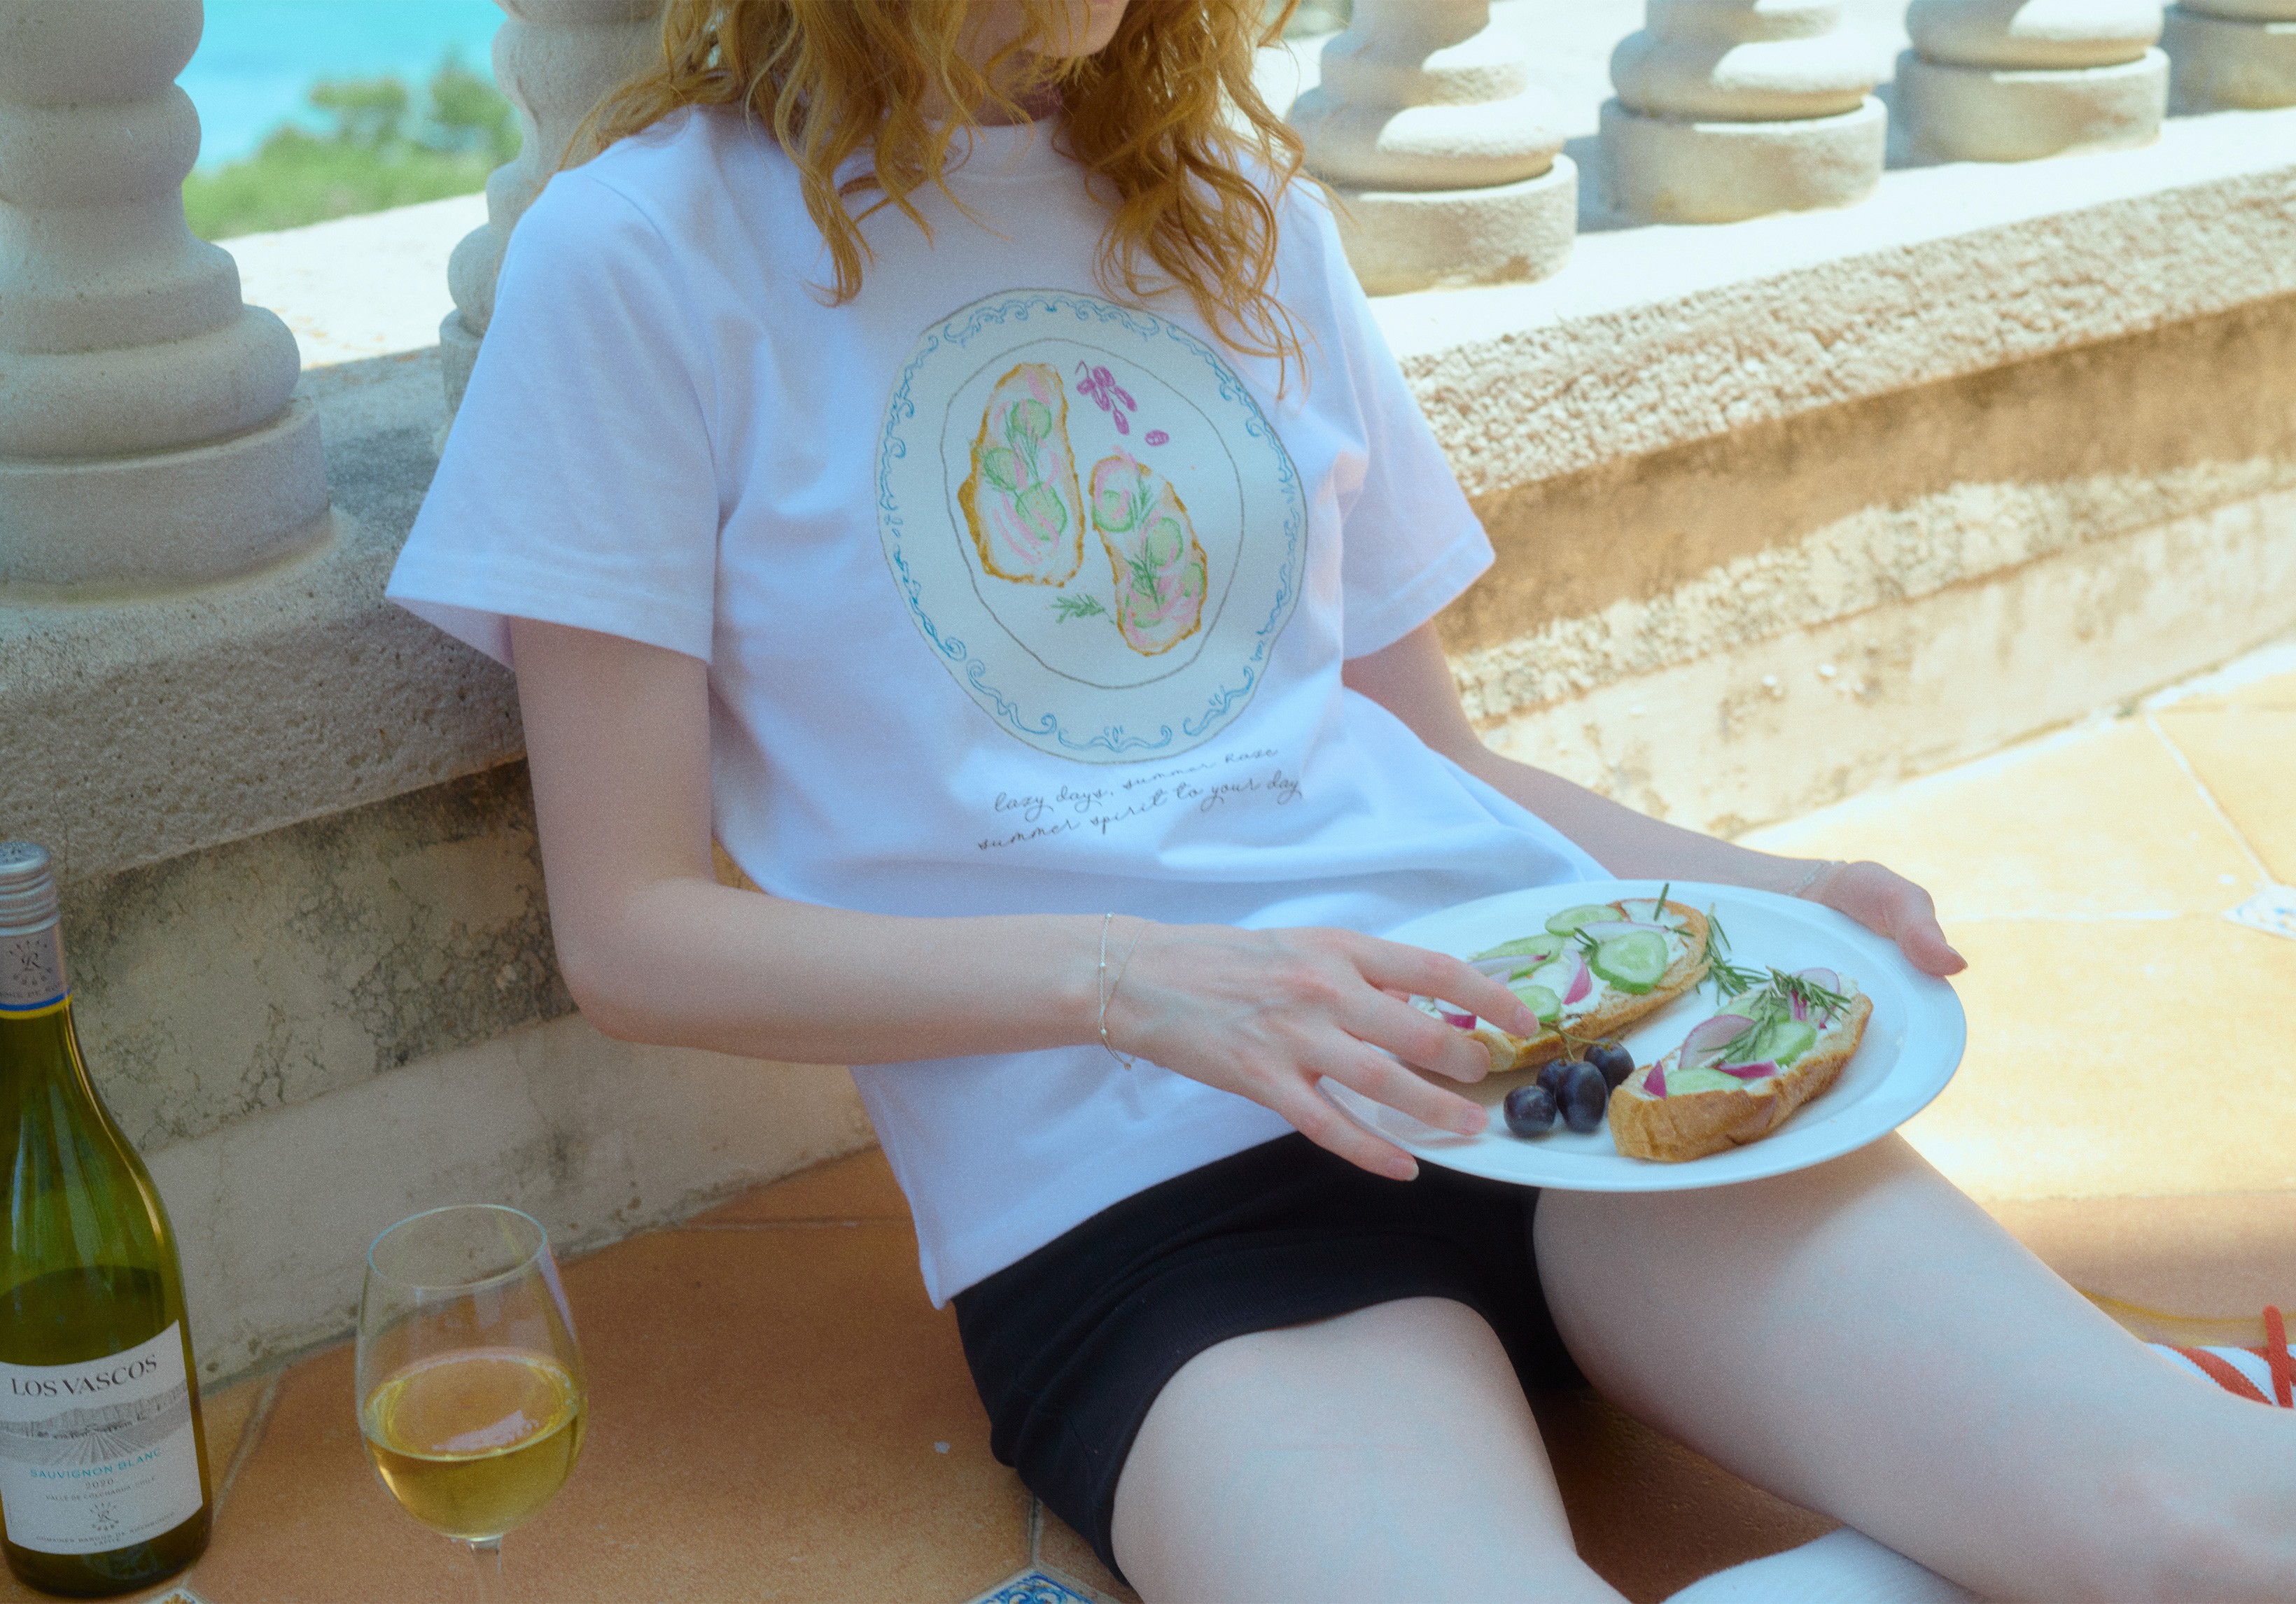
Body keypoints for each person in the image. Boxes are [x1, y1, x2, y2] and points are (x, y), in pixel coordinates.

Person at [386, 3, 2296, 1598]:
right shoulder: (638, 255)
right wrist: (1135, 981)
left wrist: (1777, 887)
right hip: (1146, 1206)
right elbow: (633, 932)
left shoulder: (1232, 205)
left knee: (2210, 1527)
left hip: (1570, 1070)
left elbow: (1431, 759)